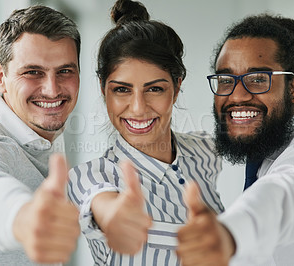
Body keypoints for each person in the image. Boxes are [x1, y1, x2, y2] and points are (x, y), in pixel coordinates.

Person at [176, 13, 294, 266]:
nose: (238, 95)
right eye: (225, 80)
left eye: (257, 79)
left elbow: (284, 194)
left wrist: (229, 233)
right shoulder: (263, 157)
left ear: (293, 89)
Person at [67, 0, 224, 265]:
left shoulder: (206, 150)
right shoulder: (89, 177)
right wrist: (114, 216)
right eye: (122, 90)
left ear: (176, 86)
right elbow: (100, 203)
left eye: (154, 89)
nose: (138, 109)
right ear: (105, 90)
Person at [0, 5, 82, 265]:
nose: (52, 90)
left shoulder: (39, 130)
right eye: (33, 72)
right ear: (1, 77)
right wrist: (23, 217)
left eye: (65, 71)